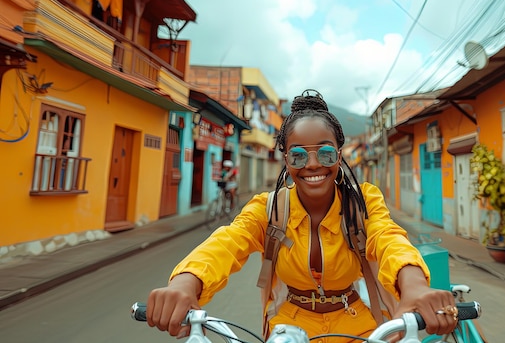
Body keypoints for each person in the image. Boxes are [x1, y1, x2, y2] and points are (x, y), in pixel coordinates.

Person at [146, 89, 457, 341]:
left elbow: (389, 239)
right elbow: (226, 243)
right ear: (285, 158)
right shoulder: (268, 210)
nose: (312, 164)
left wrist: (414, 284)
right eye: (298, 154)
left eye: (325, 152)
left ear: (339, 154)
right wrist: (185, 284)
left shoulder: (364, 202)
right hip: (287, 327)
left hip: (359, 325)